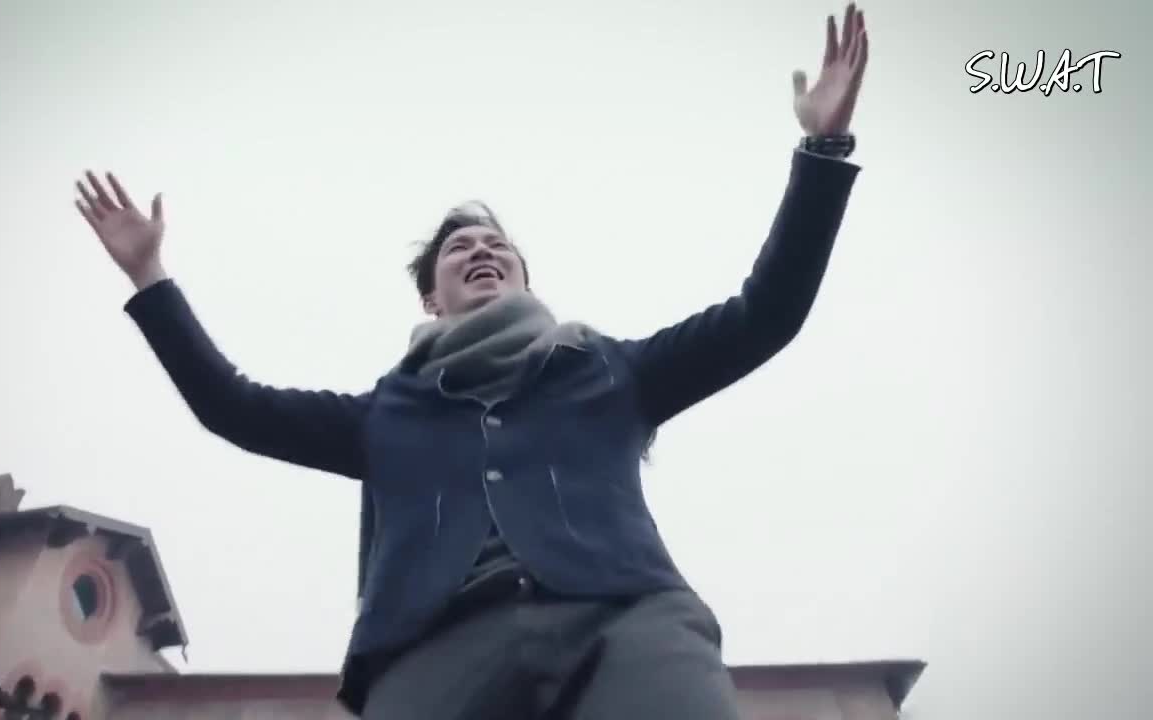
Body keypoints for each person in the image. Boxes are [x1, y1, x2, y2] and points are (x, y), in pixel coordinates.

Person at [73, 5, 868, 718]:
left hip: (627, 623)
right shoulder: (385, 415)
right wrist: (150, 276)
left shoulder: (606, 372)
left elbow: (765, 314)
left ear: (523, 278)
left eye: (497, 247)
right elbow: (232, 406)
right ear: (432, 296)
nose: (481, 251)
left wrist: (823, 147)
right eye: (460, 248)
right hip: (433, 650)